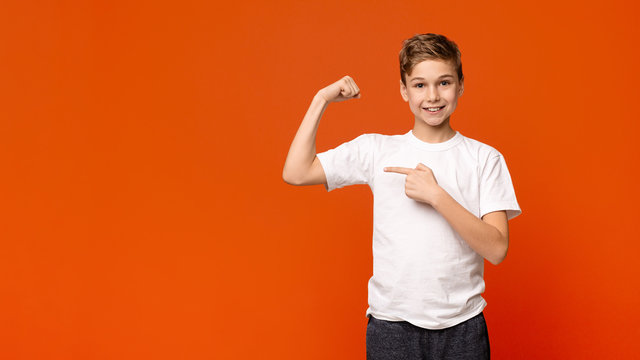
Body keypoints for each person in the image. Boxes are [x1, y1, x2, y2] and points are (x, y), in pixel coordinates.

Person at [282, 33, 521, 360]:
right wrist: (320, 100)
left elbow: (496, 249)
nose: (433, 95)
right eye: (420, 85)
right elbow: (295, 172)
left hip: (463, 330)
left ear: (461, 85)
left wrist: (438, 196)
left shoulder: (484, 158)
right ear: (403, 90)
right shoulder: (377, 150)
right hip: (392, 329)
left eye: (445, 82)